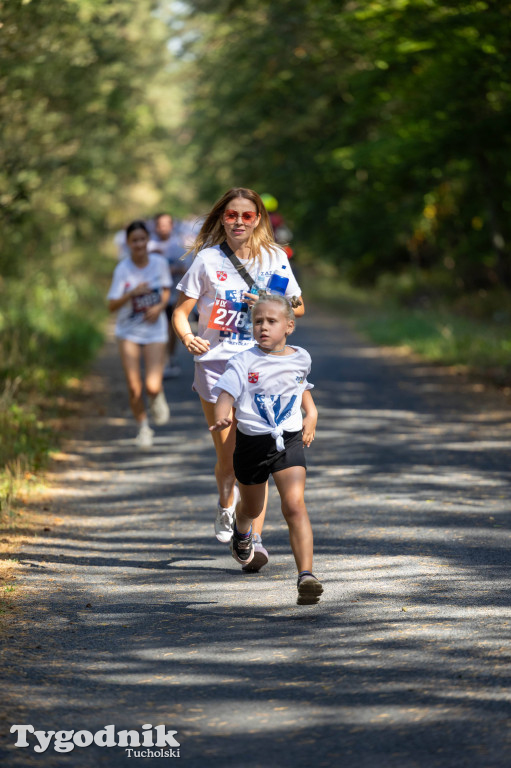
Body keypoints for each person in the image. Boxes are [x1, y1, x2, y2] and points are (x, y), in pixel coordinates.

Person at [172, 187, 305, 572]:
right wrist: (186, 336)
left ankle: (253, 538)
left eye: (248, 216)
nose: (239, 222)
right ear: (222, 218)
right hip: (216, 366)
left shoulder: (275, 258)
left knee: (257, 458)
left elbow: (298, 305)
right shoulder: (208, 260)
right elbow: (181, 313)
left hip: (264, 368)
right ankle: (226, 501)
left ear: (259, 219)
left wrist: (266, 298)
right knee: (229, 459)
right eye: (232, 215)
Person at [209, 294, 322, 605]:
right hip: (252, 444)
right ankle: (242, 532)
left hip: (288, 439)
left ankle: (306, 576)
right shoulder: (243, 361)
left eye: (271, 321)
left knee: (294, 505)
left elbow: (300, 386)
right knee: (251, 509)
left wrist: (311, 413)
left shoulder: (301, 357)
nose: (263, 327)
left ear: (289, 326)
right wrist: (223, 413)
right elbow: (227, 391)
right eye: (258, 321)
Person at [107, 220, 172, 449]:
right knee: (134, 387)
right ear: (128, 243)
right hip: (129, 332)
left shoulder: (159, 263)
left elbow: (166, 290)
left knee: (152, 385)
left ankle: (157, 397)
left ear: (148, 240)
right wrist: (131, 293)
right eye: (134, 240)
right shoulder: (122, 269)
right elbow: (111, 306)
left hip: (155, 330)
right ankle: (143, 428)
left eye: (142, 239)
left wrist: (159, 307)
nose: (139, 244)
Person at [148, 213, 190, 379]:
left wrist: (173, 270)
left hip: (174, 293)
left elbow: (188, 269)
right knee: (159, 327)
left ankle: (169, 357)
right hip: (154, 295)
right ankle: (159, 359)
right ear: (155, 226)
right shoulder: (149, 245)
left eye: (166, 224)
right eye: (159, 225)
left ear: (171, 226)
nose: (163, 228)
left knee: (171, 326)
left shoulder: (178, 246)